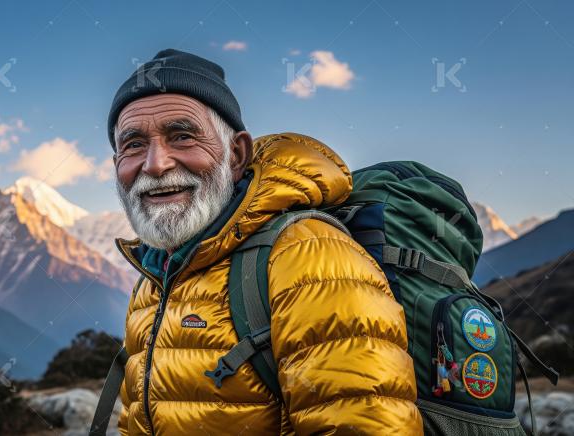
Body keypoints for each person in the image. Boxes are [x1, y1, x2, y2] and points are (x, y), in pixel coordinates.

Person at [107, 48, 422, 435]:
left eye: (183, 136)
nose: (156, 164)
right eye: (134, 144)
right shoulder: (154, 278)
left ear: (236, 154)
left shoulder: (308, 256)